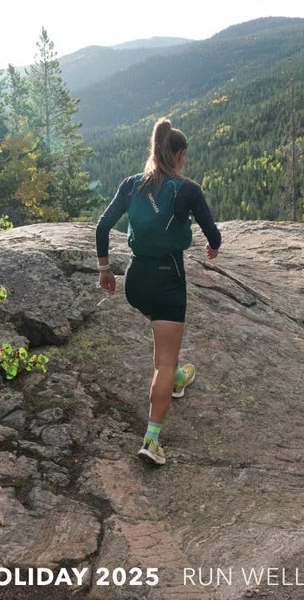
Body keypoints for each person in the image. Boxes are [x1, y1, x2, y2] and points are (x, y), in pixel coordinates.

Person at [95, 118, 220, 467]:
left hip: (136, 282)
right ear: (179, 155)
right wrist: (213, 248)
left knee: (166, 345)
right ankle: (152, 439)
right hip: (168, 279)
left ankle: (179, 376)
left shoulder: (132, 184)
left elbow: (103, 226)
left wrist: (105, 268)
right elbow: (213, 233)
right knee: (162, 363)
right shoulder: (188, 190)